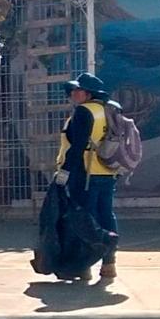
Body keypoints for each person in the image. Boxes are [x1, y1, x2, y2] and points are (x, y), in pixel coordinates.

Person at [54, 72, 119, 280]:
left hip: (85, 172)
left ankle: (84, 265)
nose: (73, 93)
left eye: (78, 90)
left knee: (84, 219)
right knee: (106, 215)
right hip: (108, 170)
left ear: (88, 93)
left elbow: (78, 146)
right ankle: (109, 263)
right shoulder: (110, 109)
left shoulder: (83, 112)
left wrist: (65, 171)